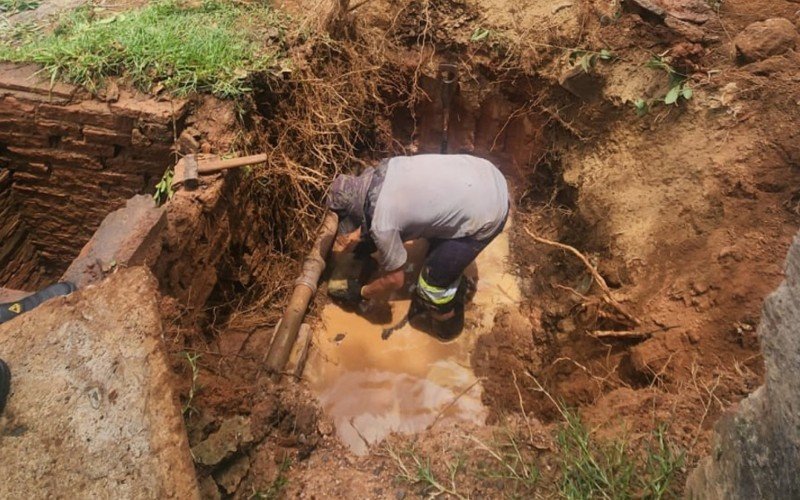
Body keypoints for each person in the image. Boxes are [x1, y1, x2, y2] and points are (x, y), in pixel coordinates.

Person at [327, 154, 509, 340]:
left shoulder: (383, 225)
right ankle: (451, 268)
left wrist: (362, 292)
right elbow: (388, 208)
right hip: (486, 174)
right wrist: (362, 234)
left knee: (430, 287)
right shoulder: (388, 166)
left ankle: (448, 328)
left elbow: (395, 281)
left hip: (490, 214)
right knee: (431, 233)